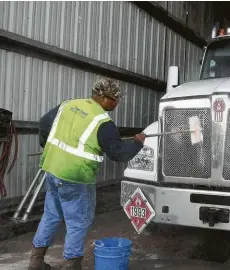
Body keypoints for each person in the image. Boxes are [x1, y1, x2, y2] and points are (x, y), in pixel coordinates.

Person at [28, 78, 146, 270]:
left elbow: (43, 124)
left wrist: (48, 147)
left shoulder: (68, 105)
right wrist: (138, 143)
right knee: (78, 222)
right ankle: (72, 264)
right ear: (103, 97)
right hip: (76, 178)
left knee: (51, 215)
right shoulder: (103, 122)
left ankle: (35, 262)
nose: (117, 103)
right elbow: (117, 153)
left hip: (52, 169)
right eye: (115, 99)